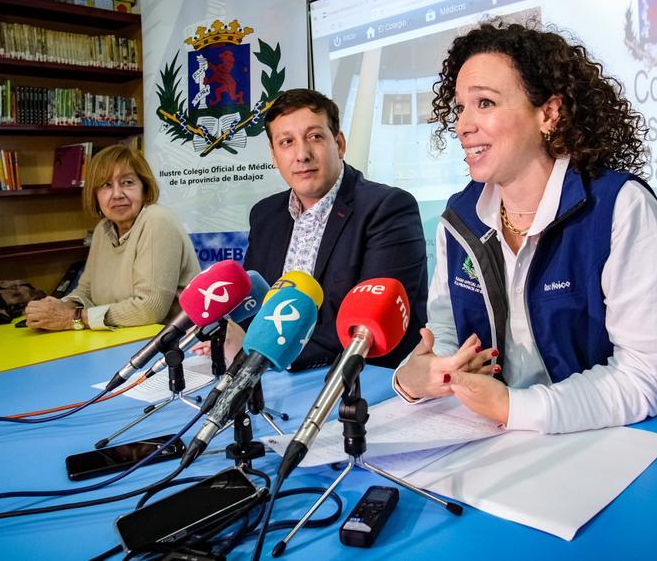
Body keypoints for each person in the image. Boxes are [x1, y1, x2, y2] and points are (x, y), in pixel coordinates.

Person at [392, 21, 657, 434]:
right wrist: (418, 374)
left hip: (607, 446)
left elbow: (650, 375)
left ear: (548, 113)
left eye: (485, 104)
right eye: (459, 107)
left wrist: (516, 408)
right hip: (491, 438)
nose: (462, 125)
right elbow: (445, 330)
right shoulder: (459, 220)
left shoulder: (620, 207)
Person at [209, 88, 428, 371]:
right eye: (286, 142)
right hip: (270, 377)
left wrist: (265, 354)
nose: (302, 154)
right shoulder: (265, 215)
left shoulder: (388, 209)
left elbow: (366, 329)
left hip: (358, 379)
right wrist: (232, 339)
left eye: (315, 137)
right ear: (274, 155)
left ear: (338, 144)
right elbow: (256, 309)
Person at [23, 145, 200, 331]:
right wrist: (53, 309)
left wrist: (73, 318)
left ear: (144, 188)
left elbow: (150, 308)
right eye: (106, 185)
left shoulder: (157, 220)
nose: (117, 194)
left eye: (127, 182)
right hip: (123, 340)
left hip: (180, 346)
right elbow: (86, 291)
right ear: (95, 194)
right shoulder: (103, 229)